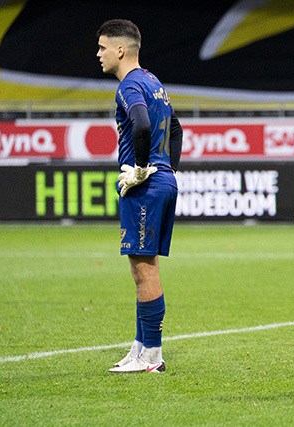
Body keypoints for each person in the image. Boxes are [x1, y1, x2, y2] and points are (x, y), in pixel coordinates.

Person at [96, 19, 183, 373]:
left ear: (120, 50)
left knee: (143, 270)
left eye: (102, 47)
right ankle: (140, 347)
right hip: (162, 182)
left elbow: (142, 124)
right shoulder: (152, 81)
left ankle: (152, 357)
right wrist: (168, 169)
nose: (98, 54)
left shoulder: (129, 85)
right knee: (145, 269)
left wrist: (143, 168)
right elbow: (176, 128)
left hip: (145, 186)